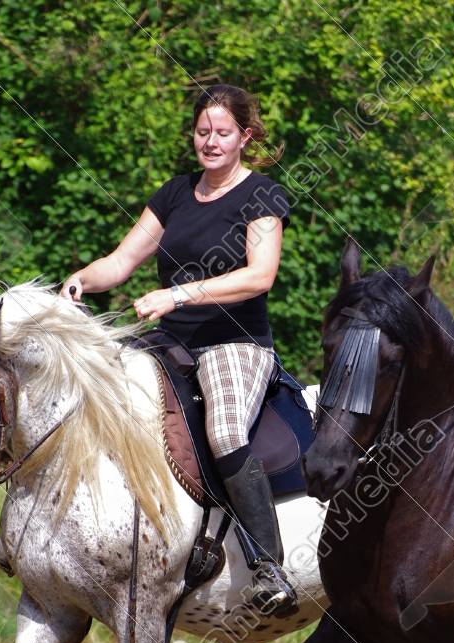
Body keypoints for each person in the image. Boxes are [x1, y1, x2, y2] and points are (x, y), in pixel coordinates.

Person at [59, 83, 297, 614]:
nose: (210, 142)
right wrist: (81, 279)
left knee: (225, 429)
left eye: (223, 133)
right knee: (94, 401)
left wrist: (177, 293)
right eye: (202, 132)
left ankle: (268, 567)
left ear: (244, 137)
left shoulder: (262, 195)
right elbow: (120, 264)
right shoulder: (173, 193)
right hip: (168, 343)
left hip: (233, 342)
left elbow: (260, 276)